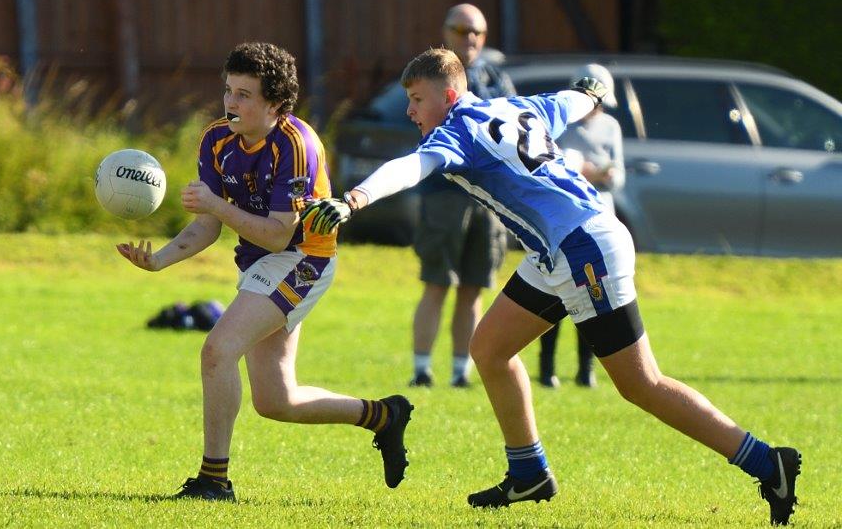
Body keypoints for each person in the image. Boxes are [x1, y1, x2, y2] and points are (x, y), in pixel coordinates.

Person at [301, 48, 800, 524]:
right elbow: (580, 98)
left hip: (582, 251)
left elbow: (409, 168)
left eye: (417, 99)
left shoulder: (455, 134)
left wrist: (354, 200)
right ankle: (528, 472)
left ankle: (765, 462)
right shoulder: (517, 107)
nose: (411, 111)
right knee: (490, 349)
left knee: (640, 383)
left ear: (450, 97)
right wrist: (595, 85)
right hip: (563, 249)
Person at [117, 42, 412, 502]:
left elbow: (278, 235)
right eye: (228, 91)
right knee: (276, 401)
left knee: (218, 349)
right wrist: (158, 261)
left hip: (304, 259)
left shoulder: (296, 145)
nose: (231, 103)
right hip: (262, 262)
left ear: (275, 104)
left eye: (244, 95)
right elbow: (207, 226)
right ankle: (383, 416)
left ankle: (214, 480)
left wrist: (215, 202)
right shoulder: (217, 139)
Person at [408, 4, 511, 388]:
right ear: (445, 31)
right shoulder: (428, 76)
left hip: (489, 200)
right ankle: (421, 369)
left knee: (474, 286)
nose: (470, 39)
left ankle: (460, 372)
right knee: (437, 281)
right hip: (444, 195)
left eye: (478, 32)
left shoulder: (497, 79)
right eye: (462, 30)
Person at [537, 63, 625, 389]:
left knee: (593, 296)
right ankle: (547, 368)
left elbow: (618, 177)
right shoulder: (562, 125)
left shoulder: (611, 127)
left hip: (600, 216)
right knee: (557, 296)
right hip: (565, 220)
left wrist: (604, 173)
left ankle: (586, 368)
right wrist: (583, 170)